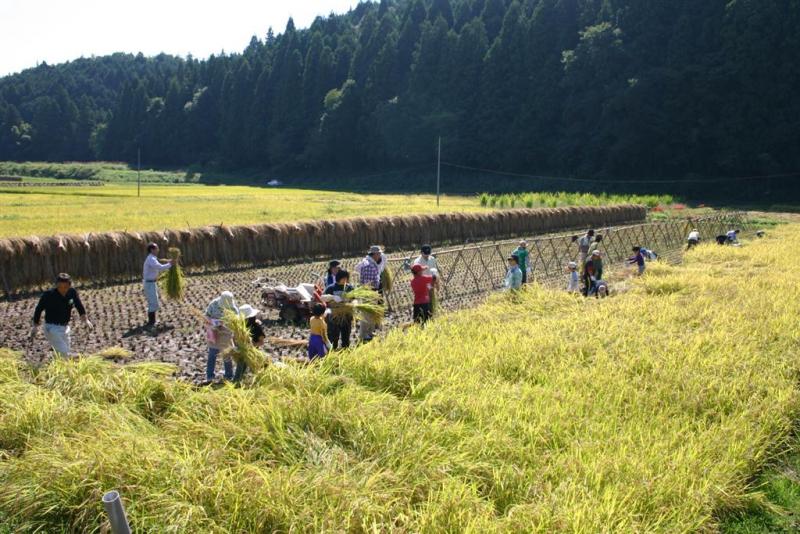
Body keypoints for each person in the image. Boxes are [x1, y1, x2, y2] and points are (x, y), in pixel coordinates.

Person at [30, 273, 93, 357]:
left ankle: (56, 367)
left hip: (65, 328)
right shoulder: (48, 295)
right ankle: (77, 360)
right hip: (52, 328)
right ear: (56, 285)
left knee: (61, 354)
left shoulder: (72, 292)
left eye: (65, 287)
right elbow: (38, 309)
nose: (63, 289)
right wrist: (35, 326)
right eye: (60, 287)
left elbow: (79, 305)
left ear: (69, 285)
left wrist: (86, 320)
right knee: (64, 353)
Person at [204, 291, 239, 382]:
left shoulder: (233, 309)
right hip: (213, 331)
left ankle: (228, 375)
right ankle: (210, 376)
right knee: (212, 353)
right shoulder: (214, 304)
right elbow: (206, 316)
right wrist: (212, 323)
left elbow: (237, 321)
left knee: (226, 354)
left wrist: (226, 324)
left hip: (226, 332)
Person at [356, 245, 385, 341]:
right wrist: (375, 288)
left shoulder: (372, 263)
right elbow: (368, 282)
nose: (380, 256)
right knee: (367, 314)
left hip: (372, 292)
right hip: (368, 292)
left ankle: (370, 332)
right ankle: (364, 334)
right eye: (379, 254)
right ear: (374, 254)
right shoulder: (368, 265)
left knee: (371, 313)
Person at [142, 243, 173, 329]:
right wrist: (171, 264)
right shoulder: (151, 259)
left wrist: (169, 262)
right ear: (152, 250)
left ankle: (152, 321)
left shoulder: (152, 258)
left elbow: (159, 265)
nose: (158, 250)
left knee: (154, 302)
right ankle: (151, 322)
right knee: (153, 302)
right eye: (156, 248)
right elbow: (159, 267)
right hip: (149, 283)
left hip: (151, 283)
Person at [324, 269, 354, 349]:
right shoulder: (331, 288)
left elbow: (355, 299)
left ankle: (345, 351)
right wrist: (333, 297)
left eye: (346, 279)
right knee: (333, 337)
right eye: (343, 278)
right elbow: (322, 298)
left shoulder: (349, 288)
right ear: (338, 278)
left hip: (346, 316)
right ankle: (332, 352)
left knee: (346, 336)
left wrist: (353, 303)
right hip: (334, 316)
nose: (345, 280)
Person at [232, 304, 262, 382]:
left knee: (254, 366)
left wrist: (251, 347)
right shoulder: (239, 328)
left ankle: (258, 381)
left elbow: (261, 341)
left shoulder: (256, 327)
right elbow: (234, 338)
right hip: (242, 351)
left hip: (253, 351)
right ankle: (237, 381)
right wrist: (236, 346)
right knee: (241, 365)